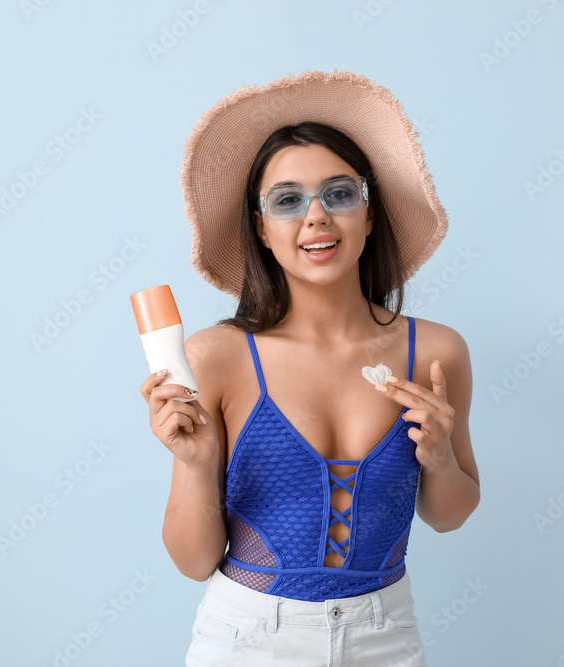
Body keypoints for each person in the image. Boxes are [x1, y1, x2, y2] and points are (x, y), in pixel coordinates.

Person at [140, 69, 481, 666]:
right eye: (288, 200)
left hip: (386, 637)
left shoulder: (436, 352)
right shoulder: (215, 357)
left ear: (369, 216)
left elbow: (449, 515)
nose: (316, 217)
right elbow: (195, 561)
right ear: (262, 229)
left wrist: (441, 457)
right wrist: (196, 466)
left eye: (339, 193)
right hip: (247, 640)